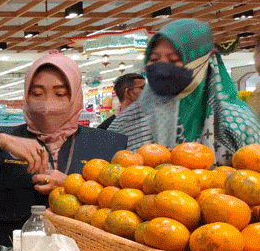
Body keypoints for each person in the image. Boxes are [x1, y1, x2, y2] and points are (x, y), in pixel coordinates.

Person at [0, 53, 127, 251]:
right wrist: (0, 141)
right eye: (37, 93)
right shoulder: (3, 137)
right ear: (27, 95)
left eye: (60, 93)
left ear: (76, 96)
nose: (47, 104)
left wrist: (72, 185)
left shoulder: (110, 144)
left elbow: (123, 207)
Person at [109, 19, 260, 165]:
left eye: (174, 60)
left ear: (201, 62)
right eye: (154, 60)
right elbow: (99, 174)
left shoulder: (236, 121)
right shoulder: (127, 121)